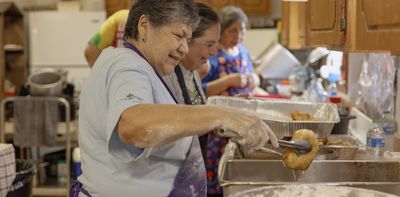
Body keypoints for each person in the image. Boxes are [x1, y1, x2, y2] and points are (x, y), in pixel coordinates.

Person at [72, 1, 278, 196]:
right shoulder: (126, 64)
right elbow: (134, 126)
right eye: (179, 36)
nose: (185, 48)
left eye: (188, 40)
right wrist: (217, 114)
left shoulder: (146, 67)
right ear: (144, 25)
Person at [163, 2, 220, 161]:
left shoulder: (192, 70)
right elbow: (174, 129)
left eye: (216, 44)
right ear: (187, 40)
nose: (214, 51)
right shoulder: (168, 76)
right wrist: (220, 117)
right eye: (209, 44)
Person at [202, 5, 259, 97]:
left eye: (242, 30)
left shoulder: (244, 51)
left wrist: (255, 80)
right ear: (221, 31)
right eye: (232, 31)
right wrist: (228, 81)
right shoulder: (211, 54)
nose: (238, 36)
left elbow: (252, 79)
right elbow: (199, 91)